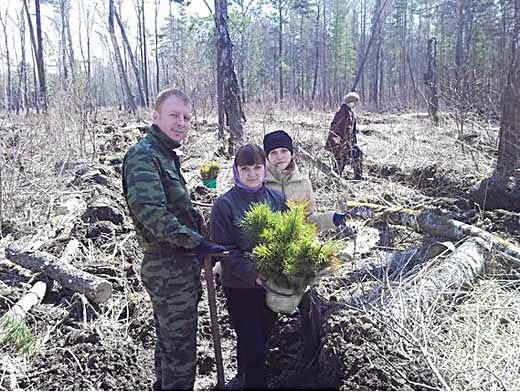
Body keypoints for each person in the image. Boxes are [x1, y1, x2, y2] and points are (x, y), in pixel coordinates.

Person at [122, 87, 227, 390]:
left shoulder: (165, 155)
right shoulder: (143, 156)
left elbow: (176, 209)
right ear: (155, 117)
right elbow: (153, 216)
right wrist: (197, 242)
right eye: (174, 116)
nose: (181, 122)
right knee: (180, 354)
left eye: (186, 117)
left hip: (179, 266)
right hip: (167, 268)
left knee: (170, 346)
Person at [262, 130, 348, 376]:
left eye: (284, 151)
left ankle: (311, 355)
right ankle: (265, 358)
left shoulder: (303, 182)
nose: (279, 157)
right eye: (273, 153)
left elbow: (309, 219)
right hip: (271, 254)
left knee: (308, 303)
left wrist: (332, 218)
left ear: (291, 153)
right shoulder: (260, 181)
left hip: (299, 253)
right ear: (267, 156)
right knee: (268, 307)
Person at [210, 144, 287, 390]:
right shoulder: (225, 205)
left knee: (261, 340)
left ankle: (242, 378)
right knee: (251, 342)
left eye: (257, 167)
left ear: (265, 169)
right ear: (236, 170)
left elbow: (287, 238)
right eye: (245, 168)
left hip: (271, 287)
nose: (252, 174)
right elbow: (224, 250)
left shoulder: (277, 199)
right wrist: (254, 274)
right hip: (240, 287)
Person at [325, 92, 364, 180]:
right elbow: (335, 127)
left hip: (348, 142)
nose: (356, 104)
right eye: (355, 102)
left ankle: (358, 176)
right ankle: (335, 178)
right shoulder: (342, 112)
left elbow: (352, 130)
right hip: (340, 142)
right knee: (340, 160)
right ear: (351, 101)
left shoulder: (350, 112)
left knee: (356, 153)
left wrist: (353, 142)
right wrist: (337, 140)